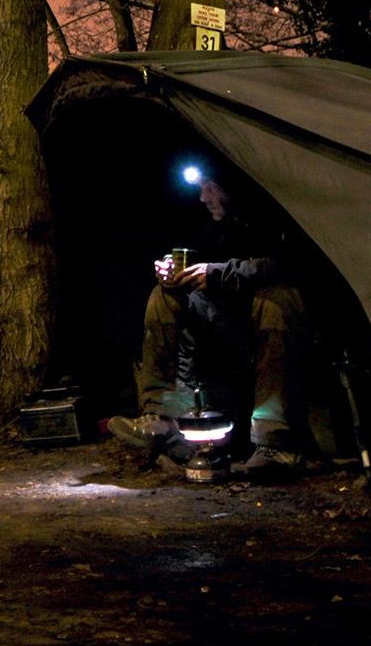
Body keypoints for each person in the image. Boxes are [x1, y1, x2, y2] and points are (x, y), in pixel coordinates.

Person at [107, 164, 311, 483]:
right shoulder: (218, 227)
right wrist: (172, 272)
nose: (203, 197)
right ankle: (163, 417)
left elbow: (287, 265)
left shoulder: (279, 215)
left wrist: (218, 273)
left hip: (272, 324)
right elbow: (200, 260)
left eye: (210, 187)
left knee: (276, 302)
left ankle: (274, 442)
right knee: (164, 296)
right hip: (229, 324)